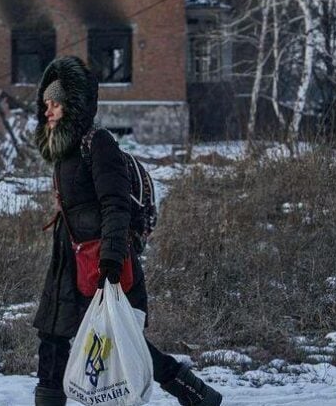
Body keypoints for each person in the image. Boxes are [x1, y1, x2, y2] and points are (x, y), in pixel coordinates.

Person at [32, 56, 223, 406]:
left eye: (56, 103)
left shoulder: (99, 144)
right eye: (45, 104)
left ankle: (196, 394)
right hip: (66, 260)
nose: (49, 110)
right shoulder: (64, 155)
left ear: (73, 105)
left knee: (121, 340)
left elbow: (115, 205)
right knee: (52, 335)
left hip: (99, 260)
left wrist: (111, 261)